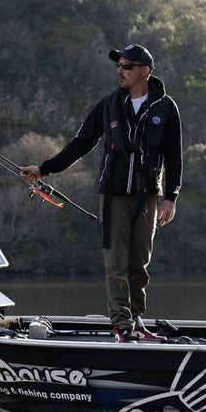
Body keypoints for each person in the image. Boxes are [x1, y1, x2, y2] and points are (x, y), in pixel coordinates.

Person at [19, 44, 182, 342]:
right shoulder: (107, 104)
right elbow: (80, 143)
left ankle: (136, 321)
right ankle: (121, 325)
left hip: (148, 195)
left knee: (139, 263)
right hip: (113, 194)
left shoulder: (166, 107)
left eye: (127, 66)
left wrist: (170, 196)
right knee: (116, 262)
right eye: (118, 65)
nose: (120, 70)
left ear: (144, 71)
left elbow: (174, 156)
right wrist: (44, 169)